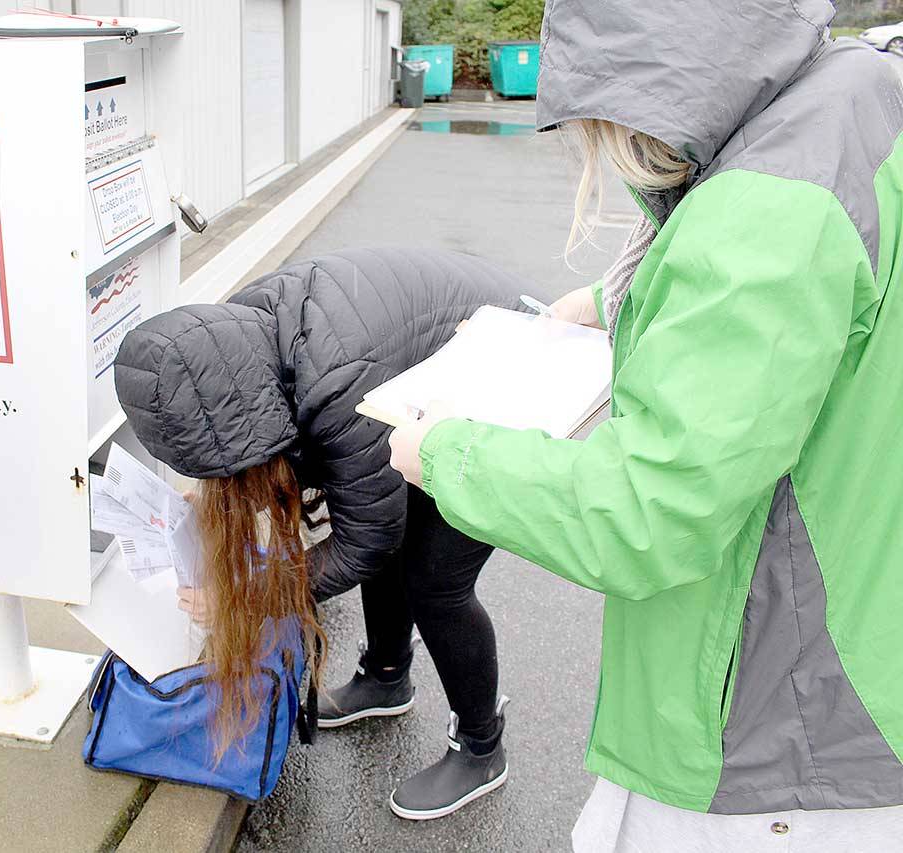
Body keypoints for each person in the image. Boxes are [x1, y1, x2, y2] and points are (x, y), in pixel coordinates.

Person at [388, 2, 903, 850]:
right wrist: (616, 304)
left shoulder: (766, 214)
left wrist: (447, 451)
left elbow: (649, 510)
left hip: (774, 732)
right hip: (856, 649)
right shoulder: (852, 96)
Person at [114, 247, 527, 819]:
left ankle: (482, 746)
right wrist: (215, 491)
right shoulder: (233, 343)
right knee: (390, 524)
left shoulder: (334, 384)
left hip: (511, 376)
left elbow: (367, 537)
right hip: (428, 375)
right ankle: (386, 678)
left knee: (435, 579)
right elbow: (284, 441)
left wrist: (248, 597)